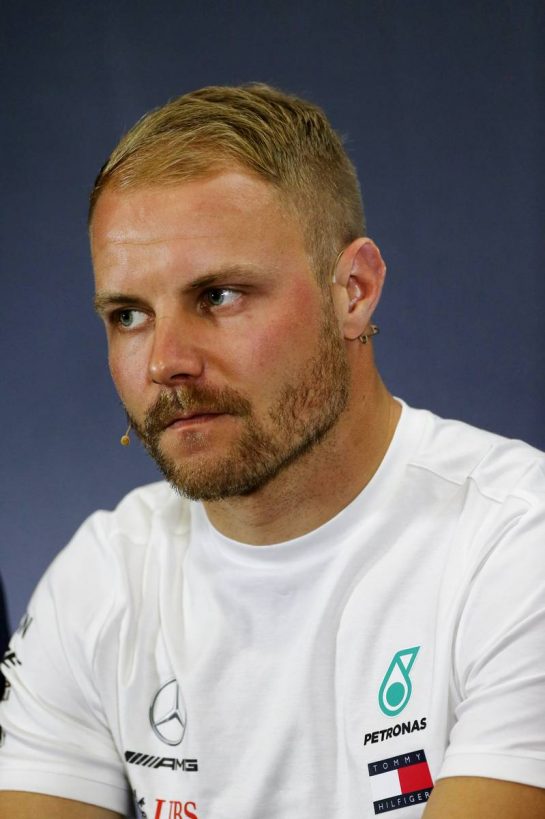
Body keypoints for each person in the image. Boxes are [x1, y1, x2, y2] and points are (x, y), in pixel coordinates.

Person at [0, 84, 544, 819]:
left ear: (353, 290)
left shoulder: (516, 546)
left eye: (219, 296)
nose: (165, 361)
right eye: (128, 314)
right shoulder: (98, 583)